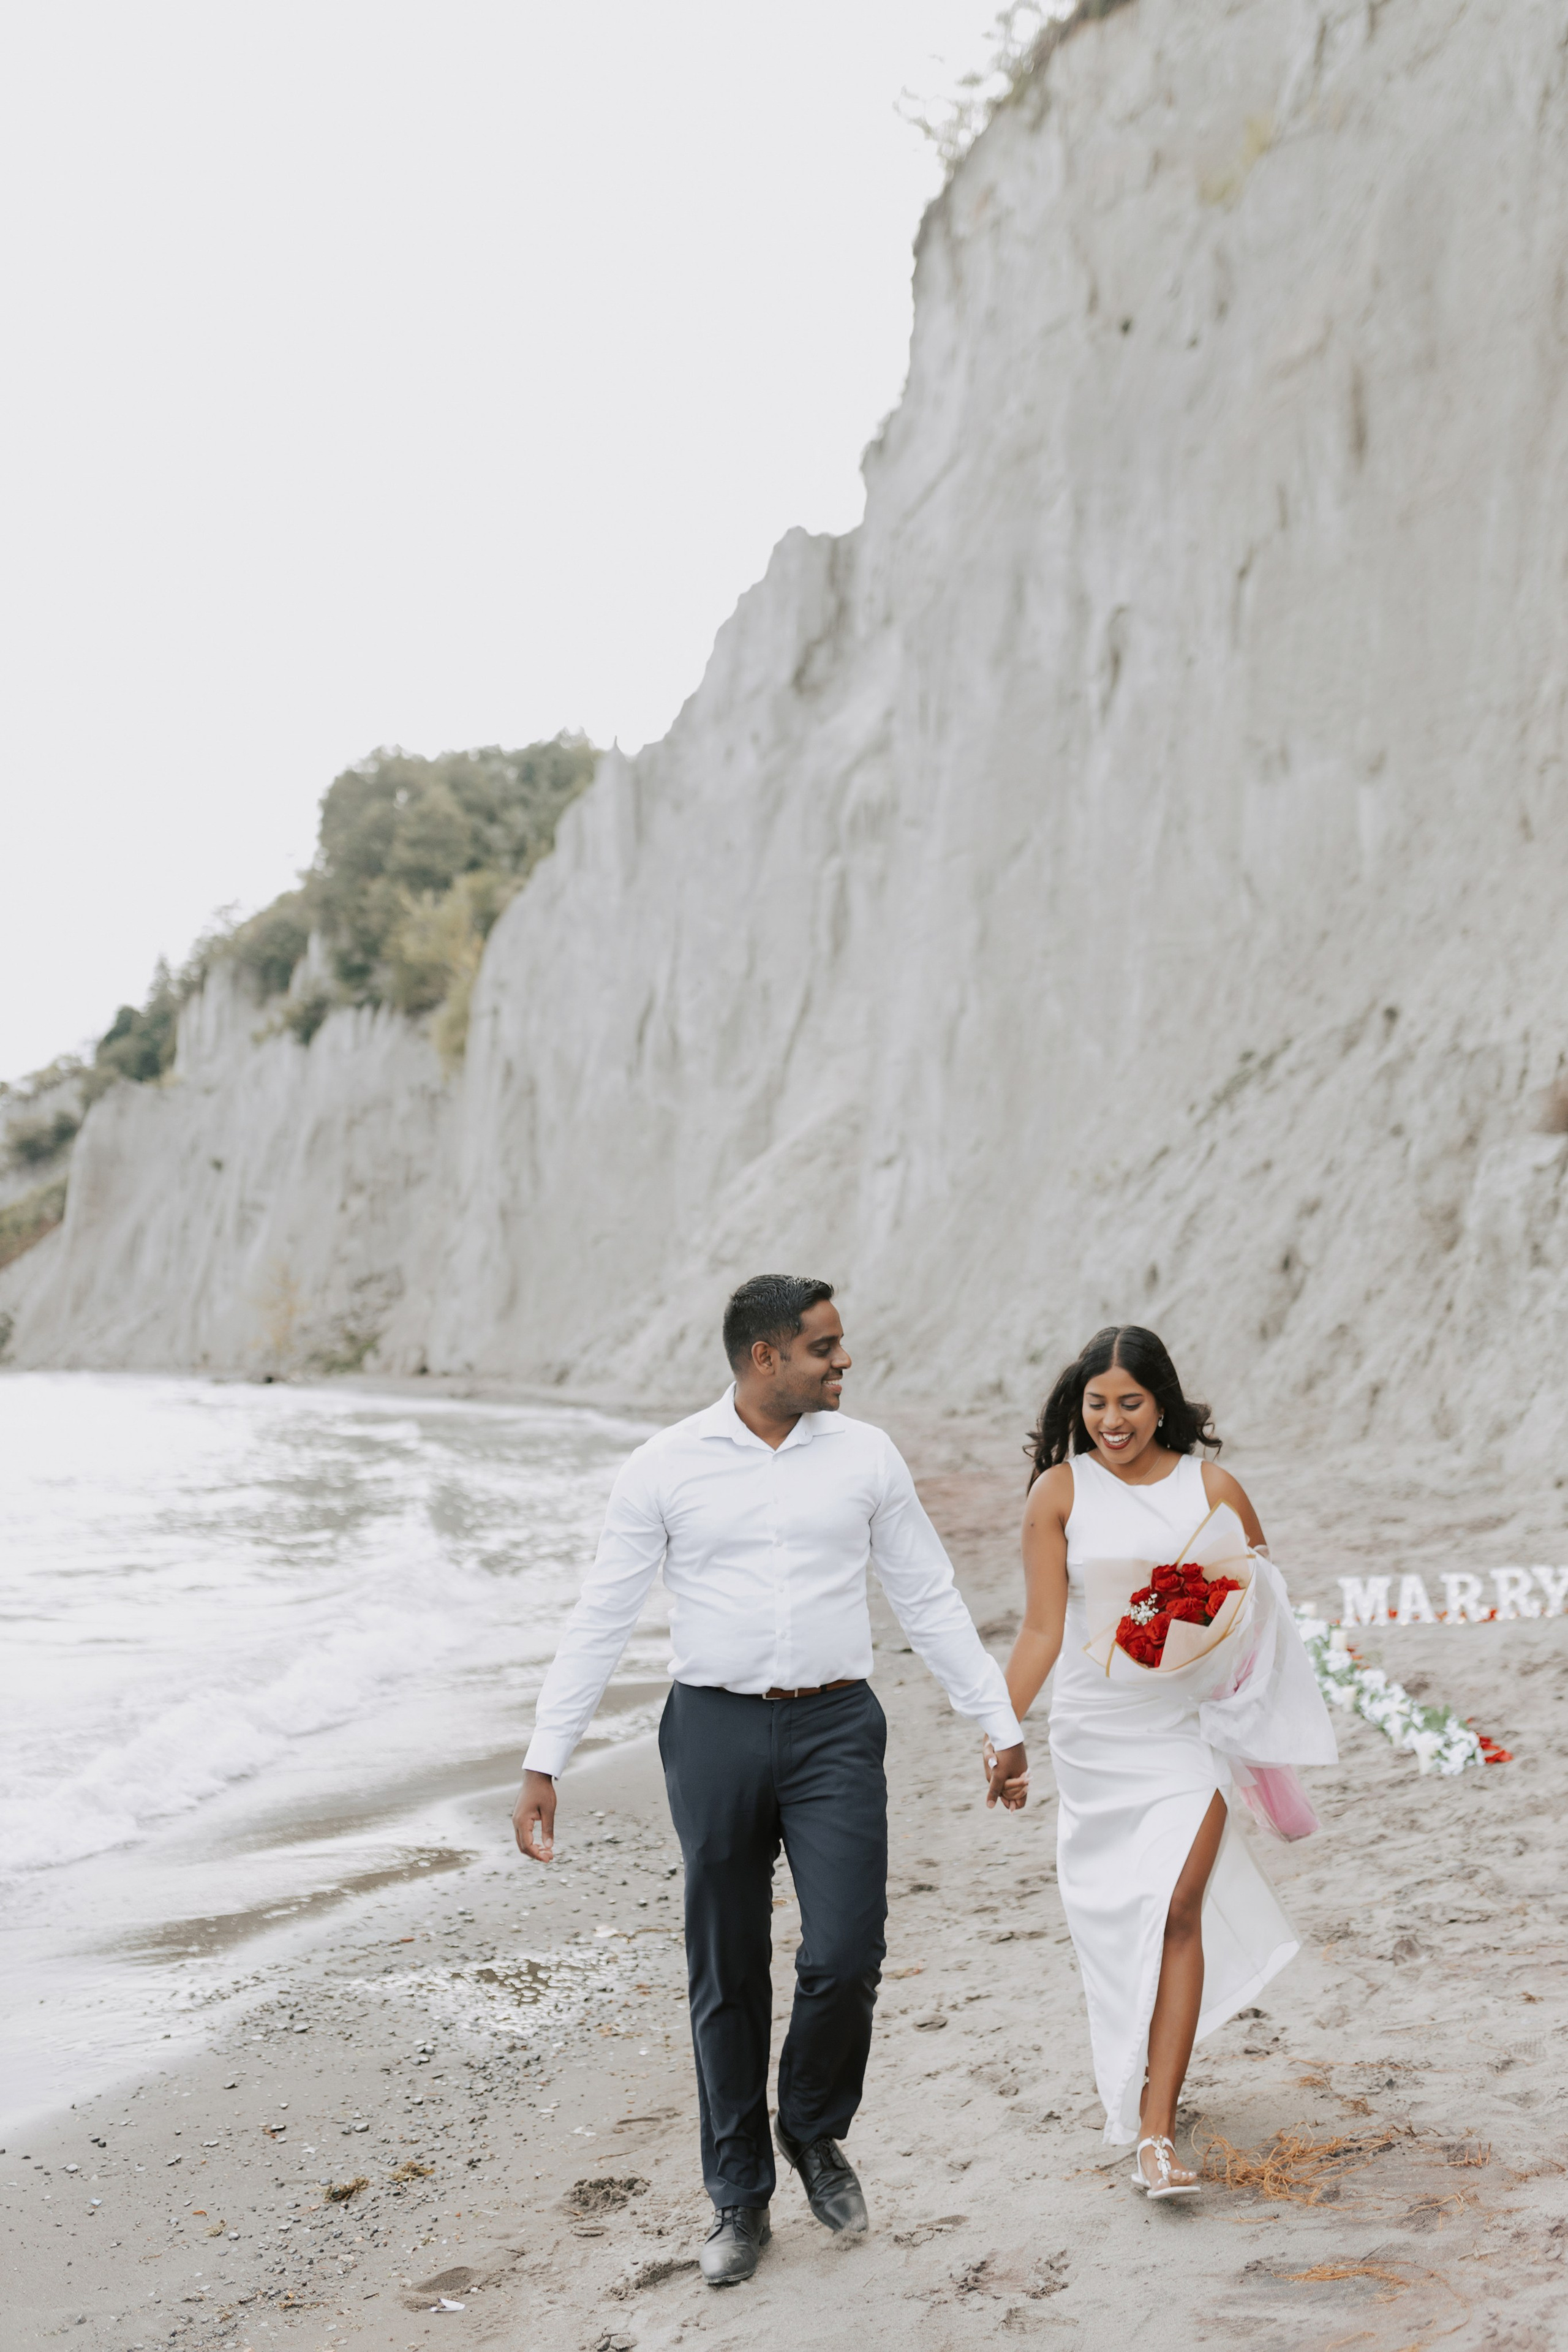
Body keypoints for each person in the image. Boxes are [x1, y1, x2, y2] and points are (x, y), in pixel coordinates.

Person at [512, 1275, 1027, 2283]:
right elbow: (601, 1617)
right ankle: (737, 2199)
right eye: (824, 1348)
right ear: (765, 1359)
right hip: (712, 1730)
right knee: (727, 1968)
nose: (843, 1362)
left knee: (846, 1950)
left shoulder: (867, 1455)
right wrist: (546, 1759)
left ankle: (811, 2127)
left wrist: (996, 1721)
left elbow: (926, 1594)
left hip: (838, 1724)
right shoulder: (666, 1466)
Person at [998, 1325, 1335, 2199]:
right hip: (1097, 1730)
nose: (1113, 1421)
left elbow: (1263, 1610)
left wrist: (1234, 1697)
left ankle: (1156, 2132)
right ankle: (1143, 2080)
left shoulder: (1211, 1487)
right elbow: (1041, 1629)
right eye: (1097, 1404)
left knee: (1180, 1904)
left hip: (1190, 1729)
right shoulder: (1058, 1493)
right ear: (1082, 1405)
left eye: (1131, 1403)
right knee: (1122, 1917)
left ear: (1163, 1402)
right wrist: (1003, 1729)